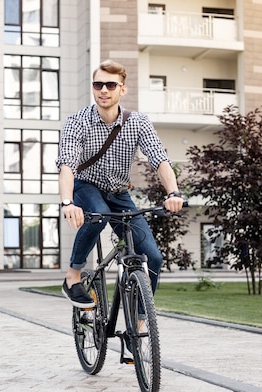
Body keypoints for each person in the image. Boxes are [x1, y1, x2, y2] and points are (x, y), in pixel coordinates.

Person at [55, 60, 184, 308]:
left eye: (111, 85)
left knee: (153, 257)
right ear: (93, 88)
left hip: (120, 193)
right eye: (98, 84)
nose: (104, 90)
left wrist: (173, 192)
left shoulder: (138, 122)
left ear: (122, 89)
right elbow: (67, 165)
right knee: (99, 215)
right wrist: (68, 202)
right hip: (86, 186)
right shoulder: (77, 122)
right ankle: (73, 277)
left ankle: (142, 322)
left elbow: (159, 158)